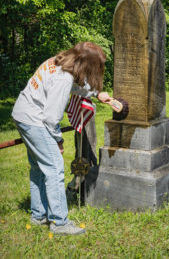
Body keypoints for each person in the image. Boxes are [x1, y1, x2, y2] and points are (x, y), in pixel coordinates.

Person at [12, 42, 112, 235]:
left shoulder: (58, 62)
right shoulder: (63, 79)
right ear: (87, 65)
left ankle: (39, 215)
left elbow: (77, 86)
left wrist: (97, 94)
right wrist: (58, 141)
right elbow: (51, 118)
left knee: (38, 168)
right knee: (54, 168)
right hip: (35, 120)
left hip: (22, 113)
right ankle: (59, 223)